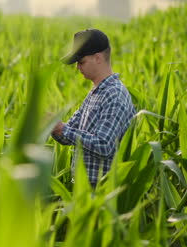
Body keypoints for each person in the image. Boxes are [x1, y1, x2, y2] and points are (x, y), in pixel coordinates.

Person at [51, 28, 136, 188]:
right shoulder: (95, 93)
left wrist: (63, 129)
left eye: (81, 62)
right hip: (85, 188)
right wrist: (52, 126)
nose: (77, 67)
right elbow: (69, 133)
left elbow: (104, 145)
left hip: (102, 191)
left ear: (97, 58)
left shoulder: (114, 95)